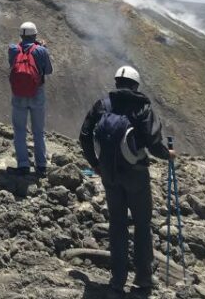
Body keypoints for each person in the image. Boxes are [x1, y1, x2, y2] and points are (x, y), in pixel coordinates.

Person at [79, 66, 175, 295]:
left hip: (109, 175)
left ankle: (117, 280)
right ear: (135, 85)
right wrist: (167, 155)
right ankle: (143, 278)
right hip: (135, 174)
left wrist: (95, 164)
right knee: (142, 224)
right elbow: (153, 142)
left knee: (117, 224)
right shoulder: (141, 107)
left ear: (117, 82)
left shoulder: (102, 105)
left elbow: (84, 135)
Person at [7, 21, 53, 176]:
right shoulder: (40, 50)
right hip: (37, 93)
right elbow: (48, 70)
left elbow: (11, 64)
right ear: (35, 35)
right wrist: (43, 49)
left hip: (18, 94)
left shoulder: (13, 49)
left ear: (21, 35)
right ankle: (41, 165)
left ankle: (23, 165)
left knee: (19, 130)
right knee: (38, 131)